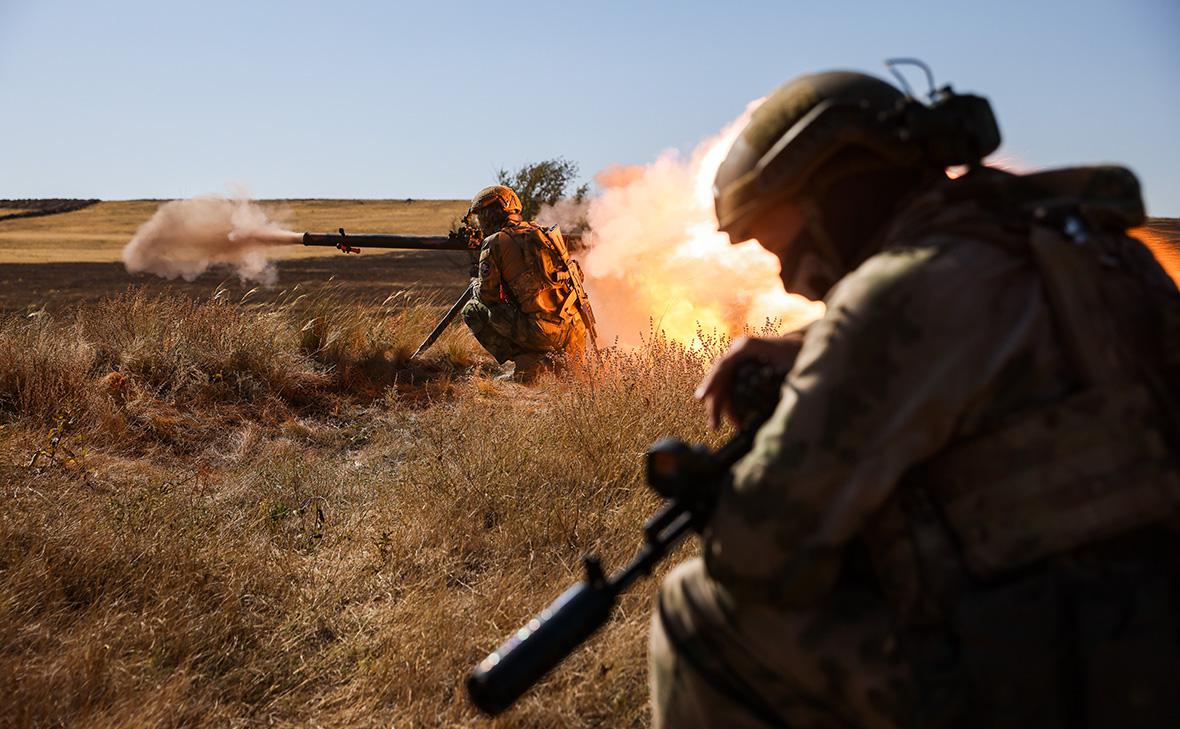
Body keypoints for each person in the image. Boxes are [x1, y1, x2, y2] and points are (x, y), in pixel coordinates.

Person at [649, 70, 1180, 728]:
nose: (786, 272)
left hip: (1058, 680)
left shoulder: (891, 301)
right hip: (1153, 638)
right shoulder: (1090, 249)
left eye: (780, 243)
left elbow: (758, 555)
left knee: (695, 607)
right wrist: (814, 345)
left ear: (833, 193)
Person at [460, 184, 595, 381]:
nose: (480, 223)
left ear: (489, 215)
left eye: (481, 217)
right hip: (575, 329)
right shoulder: (543, 233)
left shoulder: (495, 242)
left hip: (542, 333)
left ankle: (527, 364)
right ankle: (558, 365)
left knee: (472, 310)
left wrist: (476, 284)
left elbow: (488, 295)